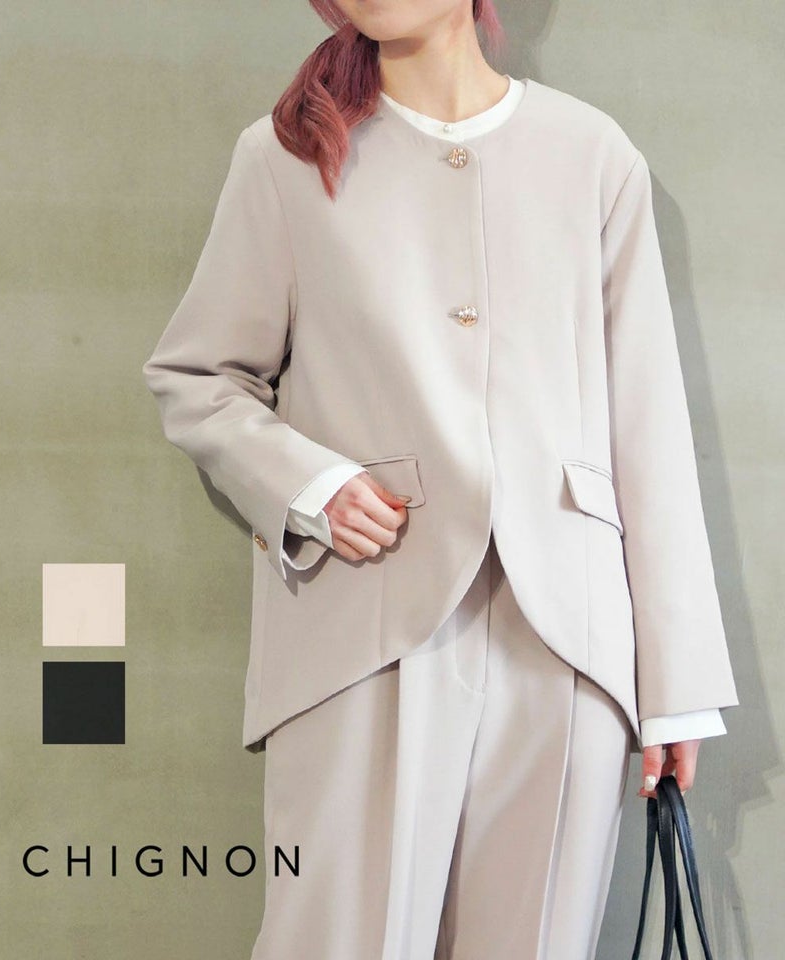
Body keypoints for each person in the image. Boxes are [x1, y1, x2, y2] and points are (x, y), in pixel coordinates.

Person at [142, 2, 740, 957]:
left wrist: (675, 685)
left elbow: (648, 424)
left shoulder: (592, 154)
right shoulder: (285, 157)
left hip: (568, 641)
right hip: (366, 623)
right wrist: (310, 485)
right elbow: (198, 378)